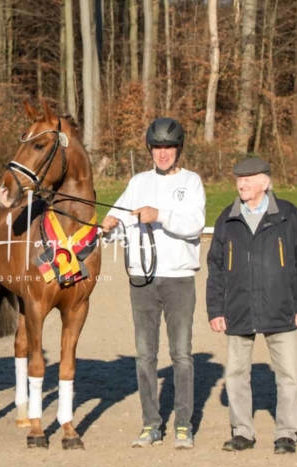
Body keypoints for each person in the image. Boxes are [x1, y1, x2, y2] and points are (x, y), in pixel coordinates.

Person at [101, 118, 206, 449]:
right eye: (158, 147)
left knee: (182, 354)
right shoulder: (137, 182)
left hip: (179, 281)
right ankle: (151, 424)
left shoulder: (192, 182)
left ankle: (184, 424)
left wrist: (160, 214)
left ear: (178, 150)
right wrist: (109, 227)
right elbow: (121, 227)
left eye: (169, 147)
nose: (163, 153)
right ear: (150, 149)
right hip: (142, 281)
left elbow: (194, 225)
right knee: (145, 355)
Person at [206, 157, 297, 455]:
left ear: (265, 183)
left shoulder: (288, 215)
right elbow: (215, 268)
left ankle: (286, 434)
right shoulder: (226, 219)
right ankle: (242, 431)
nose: (241, 184)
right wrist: (215, 310)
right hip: (238, 309)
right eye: (238, 179)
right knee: (235, 375)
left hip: (281, 308)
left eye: (248, 178)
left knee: (289, 375)